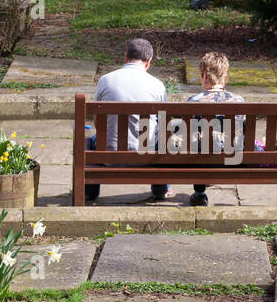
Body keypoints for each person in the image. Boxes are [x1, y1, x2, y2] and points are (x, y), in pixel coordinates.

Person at [86, 37, 170, 202]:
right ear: (148, 62)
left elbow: (97, 121)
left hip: (108, 155)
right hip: (147, 156)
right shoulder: (157, 85)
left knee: (91, 140)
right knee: (160, 140)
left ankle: (90, 190)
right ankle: (161, 189)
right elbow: (162, 126)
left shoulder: (105, 81)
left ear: (126, 57)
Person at [184, 51, 246, 207]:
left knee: (197, 146)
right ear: (225, 75)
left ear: (204, 75)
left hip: (200, 161)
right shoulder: (239, 100)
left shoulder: (194, 101)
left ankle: (199, 194)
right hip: (232, 160)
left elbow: (189, 135)